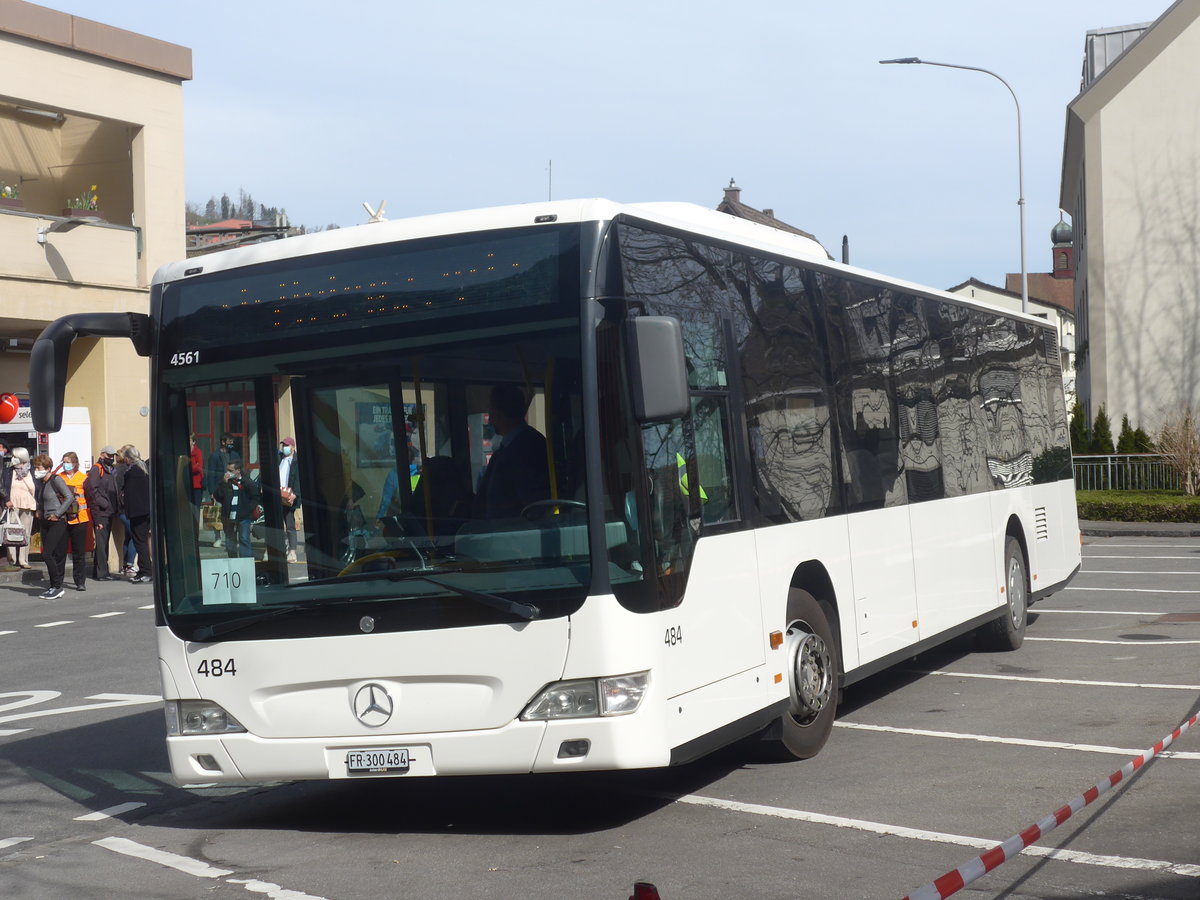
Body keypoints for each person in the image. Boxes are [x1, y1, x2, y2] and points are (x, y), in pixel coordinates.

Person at [472, 384, 550, 519]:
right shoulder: (510, 447)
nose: (490, 418)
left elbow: (531, 503)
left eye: (491, 410)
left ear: (498, 413)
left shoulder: (526, 447)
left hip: (512, 533)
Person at [34, 453, 73, 599]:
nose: (36, 470)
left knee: (47, 554)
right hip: (45, 521)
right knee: (56, 554)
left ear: (48, 468)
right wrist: (39, 510)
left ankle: (57, 586)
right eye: (35, 467)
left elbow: (69, 497)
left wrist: (57, 513)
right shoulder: (41, 483)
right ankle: (54, 586)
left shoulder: (56, 480)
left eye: (38, 467)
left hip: (58, 521)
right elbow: (40, 500)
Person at [84, 446, 120, 581]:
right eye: (109, 455)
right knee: (101, 543)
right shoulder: (97, 469)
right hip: (102, 512)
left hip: (109, 511)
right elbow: (92, 490)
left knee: (103, 543)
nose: (111, 458)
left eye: (113, 456)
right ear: (102, 455)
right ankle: (102, 573)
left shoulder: (110, 470)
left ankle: (100, 571)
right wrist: (103, 503)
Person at [56, 451, 90, 592]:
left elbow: (90, 497)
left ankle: (80, 581)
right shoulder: (59, 478)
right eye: (64, 461)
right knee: (60, 552)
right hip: (63, 519)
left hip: (80, 519)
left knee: (78, 552)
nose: (66, 464)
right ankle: (57, 581)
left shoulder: (84, 478)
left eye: (68, 461)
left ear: (75, 463)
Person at [118, 445, 153, 583]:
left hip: (138, 512)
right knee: (141, 541)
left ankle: (146, 571)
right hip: (145, 511)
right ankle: (144, 570)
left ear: (127, 458)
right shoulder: (143, 468)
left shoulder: (132, 471)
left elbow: (130, 494)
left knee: (140, 541)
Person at [212, 459, 260, 559]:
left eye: (231, 470)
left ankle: (245, 561)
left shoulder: (247, 482)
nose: (228, 472)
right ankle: (233, 561)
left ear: (238, 470)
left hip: (243, 517)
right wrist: (224, 483)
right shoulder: (226, 482)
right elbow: (218, 496)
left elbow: (255, 497)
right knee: (230, 540)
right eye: (227, 470)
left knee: (244, 539)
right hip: (228, 516)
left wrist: (247, 509)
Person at [205, 434, 241, 546]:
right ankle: (218, 538)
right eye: (229, 441)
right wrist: (211, 492)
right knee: (218, 513)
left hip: (233, 488)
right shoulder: (215, 456)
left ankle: (233, 537)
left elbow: (240, 471)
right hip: (219, 489)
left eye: (232, 441)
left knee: (233, 514)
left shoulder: (235, 455)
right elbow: (210, 475)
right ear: (223, 442)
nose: (231, 443)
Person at [5, 448, 36, 569]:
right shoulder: (9, 471)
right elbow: (4, 486)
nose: (12, 458)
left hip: (28, 504)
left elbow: (35, 488)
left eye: (15, 456)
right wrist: (7, 499)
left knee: (25, 533)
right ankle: (12, 559)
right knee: (11, 532)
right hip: (13, 505)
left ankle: (23, 560)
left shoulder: (32, 471)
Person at [277, 437, 300, 562]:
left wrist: (294, 494)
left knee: (290, 524)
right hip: (278, 494)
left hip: (289, 496)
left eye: (286, 445)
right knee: (276, 524)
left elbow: (298, 480)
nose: (284, 447)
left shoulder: (296, 461)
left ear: (292, 447)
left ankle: (292, 552)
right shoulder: (280, 459)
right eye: (283, 445)